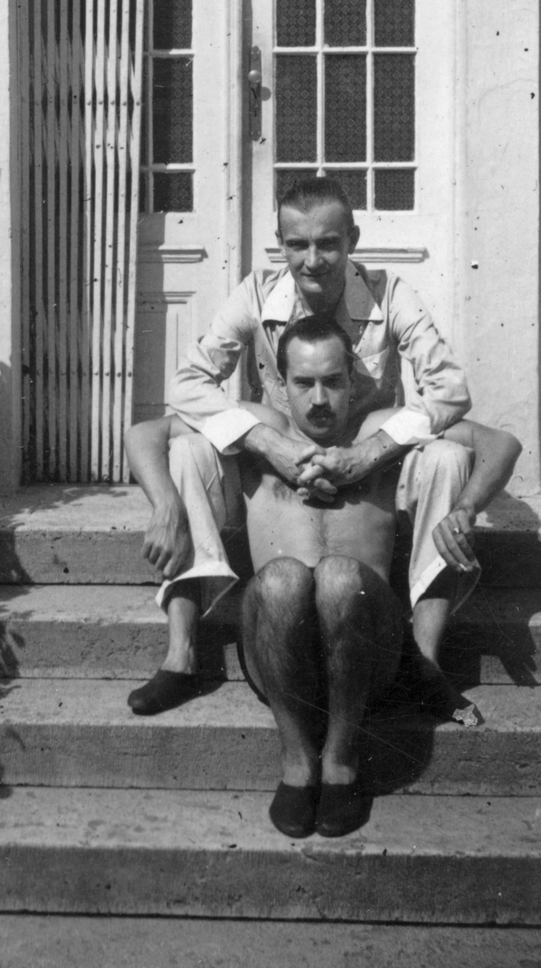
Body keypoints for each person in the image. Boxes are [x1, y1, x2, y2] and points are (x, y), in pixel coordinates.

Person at [124, 174, 521, 719]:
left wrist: (371, 450)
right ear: (281, 245)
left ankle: (424, 664)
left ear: (352, 240)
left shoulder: (391, 295)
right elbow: (187, 385)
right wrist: (263, 443)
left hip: (374, 471)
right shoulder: (257, 294)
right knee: (189, 451)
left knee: (448, 456)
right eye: (297, 244)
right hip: (281, 475)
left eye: (328, 243)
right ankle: (182, 654)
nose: (313, 260)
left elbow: (450, 391)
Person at [240, 314, 517, 838]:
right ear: (280, 385)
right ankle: (297, 761)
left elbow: (501, 444)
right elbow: (146, 434)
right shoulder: (259, 434)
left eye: (333, 381)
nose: (319, 399)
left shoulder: (378, 434)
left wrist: (464, 509)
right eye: (303, 383)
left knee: (342, 577)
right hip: (277, 651)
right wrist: (166, 505)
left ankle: (341, 759)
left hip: (367, 652)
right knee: (281, 579)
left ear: (353, 380)